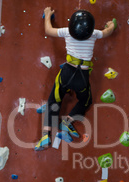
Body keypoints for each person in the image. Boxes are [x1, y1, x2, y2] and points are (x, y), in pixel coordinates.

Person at [35, 7, 116, 150]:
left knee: (54, 100)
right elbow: (107, 32)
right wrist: (111, 25)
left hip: (66, 73)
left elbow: (48, 30)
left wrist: (47, 15)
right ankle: (68, 120)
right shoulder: (95, 34)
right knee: (86, 100)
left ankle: (46, 134)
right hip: (82, 78)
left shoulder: (66, 31)